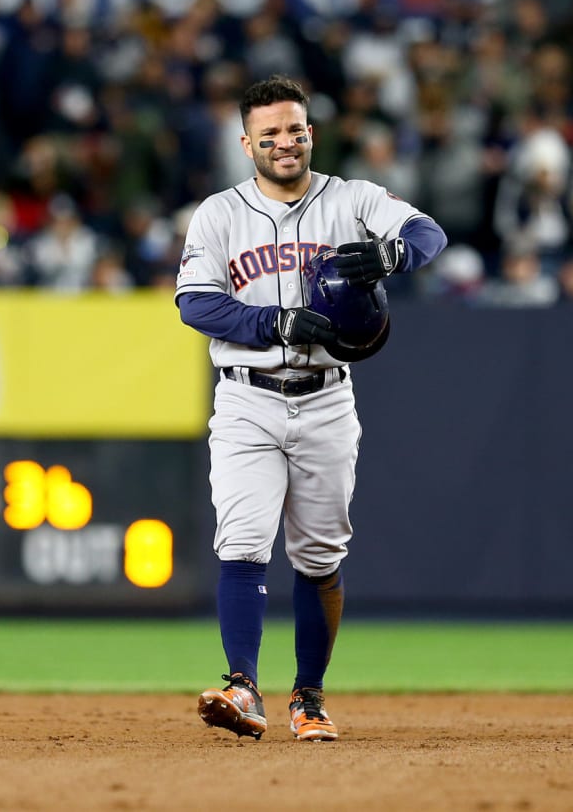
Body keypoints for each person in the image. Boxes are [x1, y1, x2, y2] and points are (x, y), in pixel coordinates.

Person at [174, 76, 447, 741]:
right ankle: (242, 687)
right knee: (242, 540)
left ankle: (309, 697)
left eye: (293, 129)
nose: (284, 142)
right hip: (246, 394)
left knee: (320, 554)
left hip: (326, 398)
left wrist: (396, 251)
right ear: (247, 143)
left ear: (310, 132)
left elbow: (428, 232)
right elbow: (194, 303)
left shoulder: (350, 198)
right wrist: (275, 321)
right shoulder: (218, 213)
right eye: (268, 134)